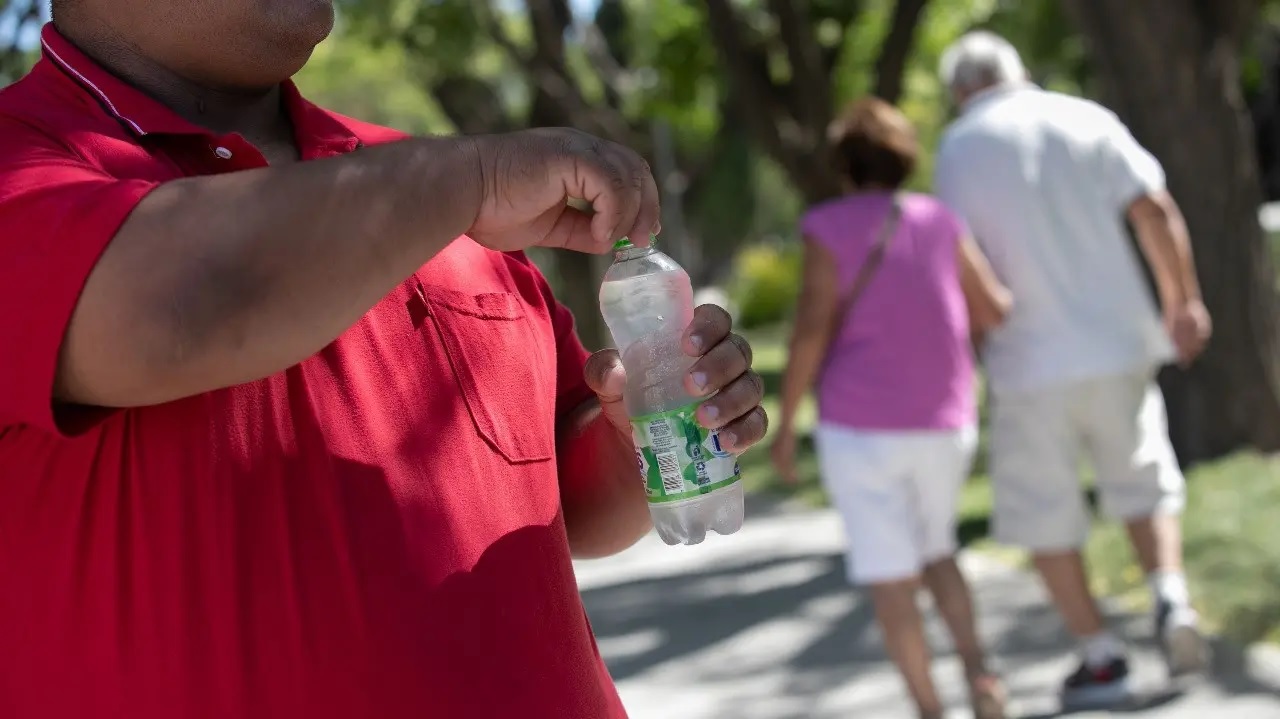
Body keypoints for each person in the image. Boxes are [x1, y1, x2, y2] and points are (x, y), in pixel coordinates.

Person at [0, 2, 770, 718]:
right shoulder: (450, 185)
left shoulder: (420, 179)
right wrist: (467, 180)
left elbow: (567, 497)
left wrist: (645, 436)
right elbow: (177, 307)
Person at [933, 31, 1214, 709]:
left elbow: (961, 262)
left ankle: (1101, 654)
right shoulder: (1086, 117)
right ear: (1017, 69)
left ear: (960, 91)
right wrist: (1183, 300)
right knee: (1145, 477)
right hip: (1119, 342)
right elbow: (1154, 208)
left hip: (1028, 358)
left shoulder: (960, 148)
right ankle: (1170, 599)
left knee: (1045, 515)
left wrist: (965, 351)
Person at [771, 97, 1013, 719]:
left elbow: (812, 327)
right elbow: (992, 308)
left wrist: (787, 421)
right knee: (939, 552)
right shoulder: (940, 220)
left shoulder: (827, 227)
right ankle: (981, 676)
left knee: (890, 575)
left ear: (844, 164)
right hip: (945, 420)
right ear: (904, 158)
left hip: (860, 428)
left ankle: (931, 710)